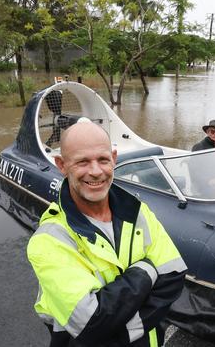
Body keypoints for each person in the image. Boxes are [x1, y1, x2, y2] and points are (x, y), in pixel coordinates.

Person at [27, 121, 187, 347]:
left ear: (113, 158)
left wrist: (119, 331)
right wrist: (147, 269)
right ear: (61, 165)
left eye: (103, 159)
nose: (95, 171)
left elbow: (173, 275)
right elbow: (92, 323)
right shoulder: (49, 240)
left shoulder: (138, 212)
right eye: (82, 161)